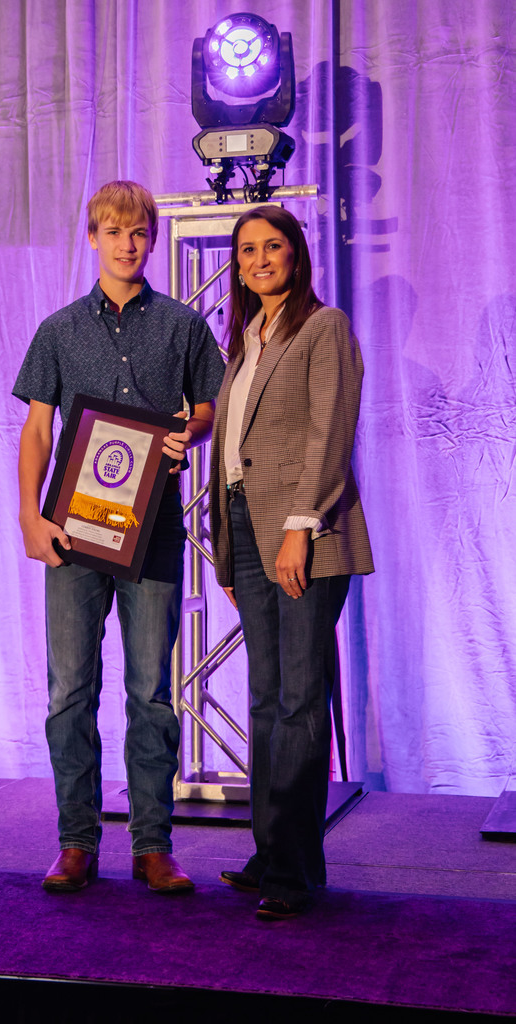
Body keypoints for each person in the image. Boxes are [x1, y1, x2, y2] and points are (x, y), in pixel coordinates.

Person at [14, 181, 225, 894]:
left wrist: (186, 433)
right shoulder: (58, 329)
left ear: (152, 239)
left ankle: (152, 845)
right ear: (92, 238)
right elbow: (39, 429)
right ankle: (75, 842)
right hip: (71, 536)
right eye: (112, 230)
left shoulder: (183, 326)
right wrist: (27, 516)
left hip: (153, 533)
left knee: (151, 694)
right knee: (69, 691)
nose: (125, 243)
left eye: (137, 232)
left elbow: (206, 409)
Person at [208, 205, 374, 920]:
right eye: (247, 250)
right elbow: (235, 450)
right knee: (265, 701)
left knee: (300, 701)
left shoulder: (322, 326)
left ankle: (291, 873)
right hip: (247, 529)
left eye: (272, 246)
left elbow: (327, 432)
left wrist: (298, 527)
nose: (259, 259)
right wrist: (227, 549)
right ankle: (274, 853)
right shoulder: (243, 339)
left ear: (295, 255)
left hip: (301, 530)